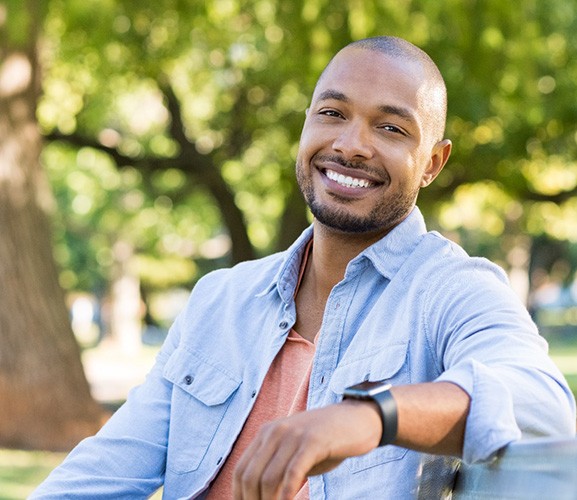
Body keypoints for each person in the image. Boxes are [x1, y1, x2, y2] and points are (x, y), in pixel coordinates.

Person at [32, 35, 576, 499]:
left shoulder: (451, 290)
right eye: (332, 114)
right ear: (306, 124)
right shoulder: (220, 298)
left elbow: (541, 404)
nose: (350, 145)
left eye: (390, 128)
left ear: (432, 163)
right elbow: (101, 473)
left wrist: (369, 417)